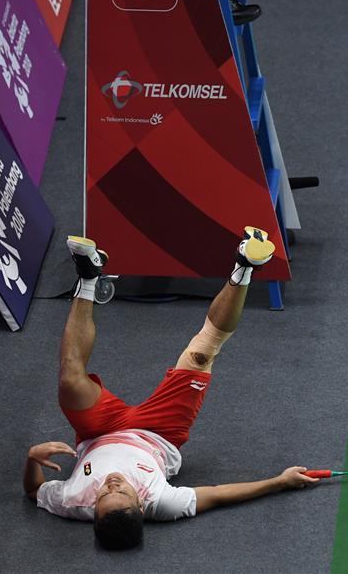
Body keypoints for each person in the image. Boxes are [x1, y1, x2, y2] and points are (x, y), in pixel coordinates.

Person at [23, 229, 318, 550]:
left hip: (98, 431)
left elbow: (33, 492)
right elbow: (218, 494)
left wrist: (32, 459)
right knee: (201, 354)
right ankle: (245, 265)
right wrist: (280, 482)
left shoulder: (73, 501)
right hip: (159, 434)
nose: (111, 485)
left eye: (104, 496)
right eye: (121, 492)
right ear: (140, 506)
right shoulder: (163, 503)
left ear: (92, 512)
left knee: (69, 379)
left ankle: (89, 277)